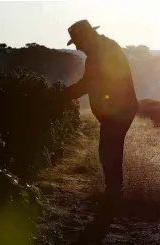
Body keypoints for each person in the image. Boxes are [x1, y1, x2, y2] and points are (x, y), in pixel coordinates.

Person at [62, 19, 138, 244]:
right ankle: (114, 193)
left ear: (86, 37)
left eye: (77, 42)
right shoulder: (104, 48)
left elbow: (88, 83)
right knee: (110, 151)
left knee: (108, 151)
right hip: (117, 110)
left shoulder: (102, 52)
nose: (77, 47)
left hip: (119, 111)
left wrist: (63, 94)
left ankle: (113, 197)